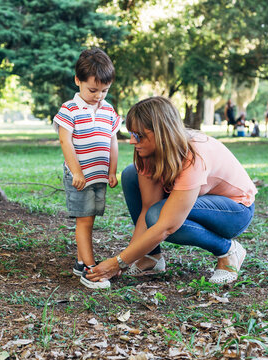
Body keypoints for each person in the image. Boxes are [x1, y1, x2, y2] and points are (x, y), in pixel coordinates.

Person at [86, 97, 256, 286]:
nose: (132, 141)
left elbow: (167, 225)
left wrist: (117, 262)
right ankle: (151, 257)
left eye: (139, 135)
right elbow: (146, 208)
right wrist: (125, 260)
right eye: (132, 133)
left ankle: (228, 251)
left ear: (161, 132)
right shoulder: (147, 153)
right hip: (198, 202)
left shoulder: (194, 154)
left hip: (234, 211)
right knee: (131, 174)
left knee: (158, 216)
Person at [53, 48, 121, 289]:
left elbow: (113, 141)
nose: (98, 96)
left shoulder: (108, 110)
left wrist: (112, 170)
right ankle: (90, 270)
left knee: (90, 219)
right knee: (84, 221)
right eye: (93, 90)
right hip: (80, 178)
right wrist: (77, 172)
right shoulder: (69, 109)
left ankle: (81, 261)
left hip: (99, 175)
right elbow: (65, 141)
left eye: (104, 90)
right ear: (78, 81)